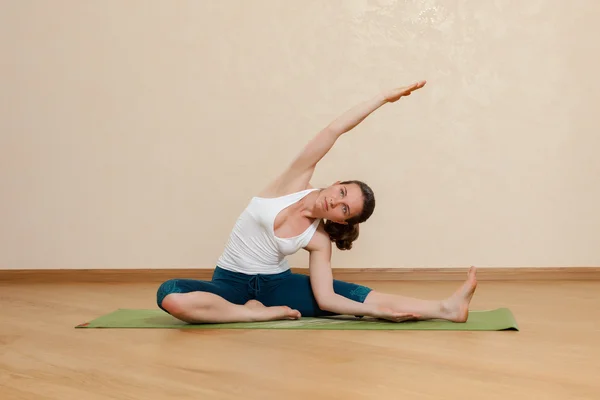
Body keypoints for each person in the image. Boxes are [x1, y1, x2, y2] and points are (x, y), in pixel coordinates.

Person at [156, 80, 478, 324]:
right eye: (341, 193)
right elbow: (333, 130)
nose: (335, 202)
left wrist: (374, 312)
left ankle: (445, 308)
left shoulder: (319, 240)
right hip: (229, 282)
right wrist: (382, 98)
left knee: (350, 293)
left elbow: (327, 300)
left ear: (341, 221)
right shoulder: (292, 182)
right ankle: (253, 314)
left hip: (276, 287)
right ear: (336, 183)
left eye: (344, 209)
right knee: (170, 295)